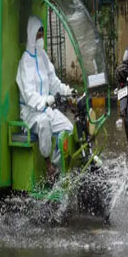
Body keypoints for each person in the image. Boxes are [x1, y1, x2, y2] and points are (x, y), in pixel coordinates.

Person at [17, 16, 75, 178]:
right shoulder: (25, 62)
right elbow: (28, 94)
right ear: (31, 35)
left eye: (42, 34)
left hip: (47, 109)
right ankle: (47, 163)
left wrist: (67, 91)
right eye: (38, 34)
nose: (40, 38)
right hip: (31, 113)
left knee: (68, 128)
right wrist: (44, 101)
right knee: (44, 124)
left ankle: (57, 167)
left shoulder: (43, 57)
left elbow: (53, 81)